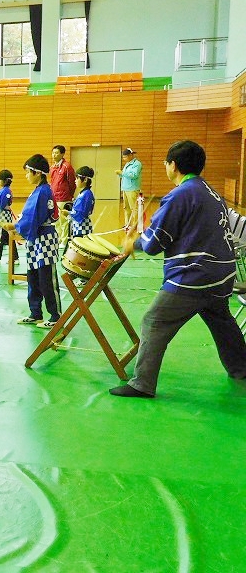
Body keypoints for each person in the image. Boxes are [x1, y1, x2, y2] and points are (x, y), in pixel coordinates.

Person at [110, 140, 246, 398]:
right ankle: (241, 367)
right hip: (222, 275)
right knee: (221, 320)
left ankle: (142, 384)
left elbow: (155, 243)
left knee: (155, 321)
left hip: (195, 276)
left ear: (173, 165)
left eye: (166, 162)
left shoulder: (180, 194)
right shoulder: (211, 192)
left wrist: (133, 243)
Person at [3, 154, 61, 329]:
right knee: (33, 278)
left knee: (46, 279)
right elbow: (29, 216)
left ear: (37, 173)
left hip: (45, 239)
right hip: (36, 238)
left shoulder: (43, 192)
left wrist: (15, 226)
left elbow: (32, 218)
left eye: (28, 172)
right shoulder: (38, 191)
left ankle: (56, 316)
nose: (26, 175)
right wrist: (17, 227)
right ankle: (35, 313)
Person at [49, 145, 76, 248]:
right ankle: (59, 238)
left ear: (62, 154)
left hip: (64, 198)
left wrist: (69, 195)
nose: (54, 155)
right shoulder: (52, 167)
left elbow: (72, 183)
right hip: (54, 197)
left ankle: (64, 241)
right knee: (55, 220)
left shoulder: (67, 167)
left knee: (63, 221)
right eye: (53, 153)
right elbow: (52, 182)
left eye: (56, 153)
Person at [116, 148, 142, 228]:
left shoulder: (137, 164)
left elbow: (134, 175)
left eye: (125, 157)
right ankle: (127, 224)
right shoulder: (127, 164)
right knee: (126, 208)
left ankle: (135, 225)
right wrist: (120, 174)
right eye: (123, 157)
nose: (124, 159)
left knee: (134, 208)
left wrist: (122, 173)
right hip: (125, 188)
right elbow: (125, 176)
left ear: (131, 155)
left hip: (132, 189)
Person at [66, 166, 95, 238]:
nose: (75, 180)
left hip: (82, 227)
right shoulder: (84, 193)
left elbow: (80, 213)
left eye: (77, 178)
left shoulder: (86, 194)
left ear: (85, 180)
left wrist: (68, 213)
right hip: (80, 226)